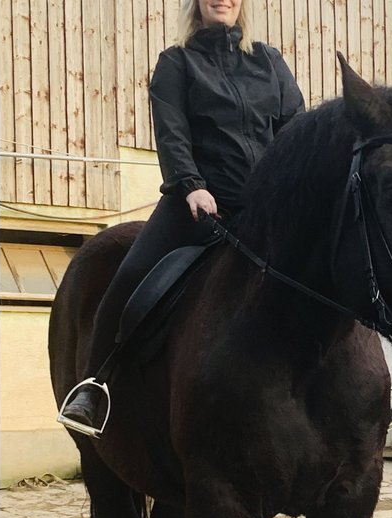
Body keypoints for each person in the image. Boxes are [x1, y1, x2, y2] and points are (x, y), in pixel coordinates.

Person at [58, 0, 304, 436]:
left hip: (265, 212)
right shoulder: (177, 62)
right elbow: (172, 132)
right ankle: (94, 386)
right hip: (197, 205)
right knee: (128, 276)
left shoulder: (269, 61)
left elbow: (293, 130)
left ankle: (365, 391)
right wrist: (191, 184)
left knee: (329, 264)